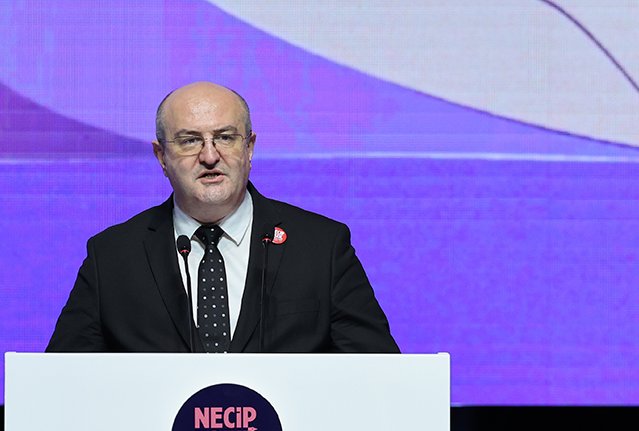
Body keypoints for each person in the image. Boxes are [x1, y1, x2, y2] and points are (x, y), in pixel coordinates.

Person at [46, 81, 399, 353]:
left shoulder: (321, 247)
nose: (210, 156)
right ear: (161, 157)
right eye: (189, 141)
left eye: (225, 138)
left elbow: (380, 375)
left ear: (249, 148)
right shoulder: (112, 256)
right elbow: (60, 384)